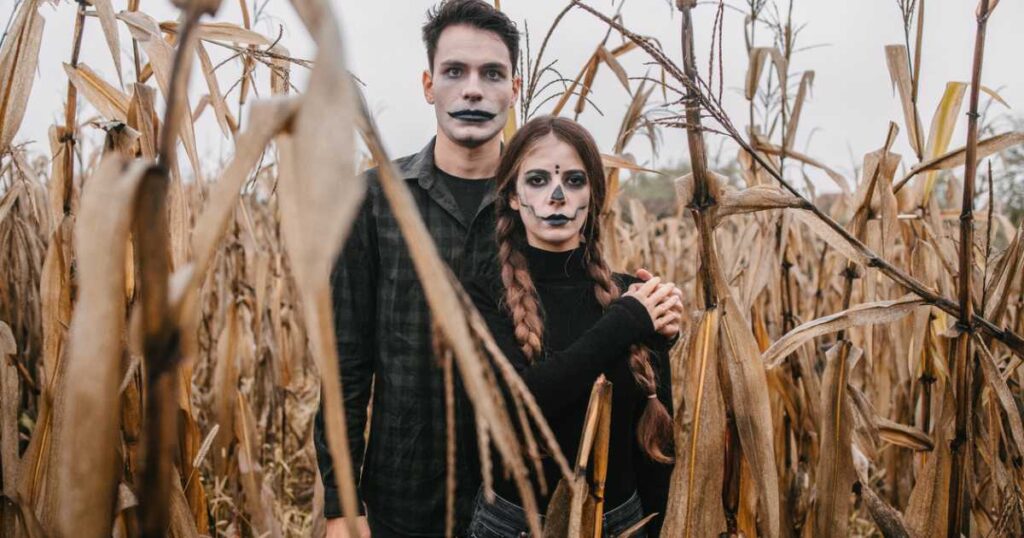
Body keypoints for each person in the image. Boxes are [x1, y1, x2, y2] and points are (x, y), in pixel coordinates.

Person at [315, 1, 521, 536]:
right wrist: (341, 502)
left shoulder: (542, 205)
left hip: (520, 499)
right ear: (429, 85)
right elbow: (345, 362)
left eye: (491, 73)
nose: (472, 89)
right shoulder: (374, 200)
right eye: (455, 72)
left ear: (514, 89)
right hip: (400, 496)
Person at [464, 115, 680, 538]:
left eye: (575, 181)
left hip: (623, 523)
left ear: (594, 195)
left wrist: (659, 336)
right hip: (515, 527)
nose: (557, 196)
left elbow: (654, 442)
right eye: (538, 180)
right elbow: (522, 406)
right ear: (511, 196)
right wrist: (627, 323)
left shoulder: (631, 295)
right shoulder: (483, 295)